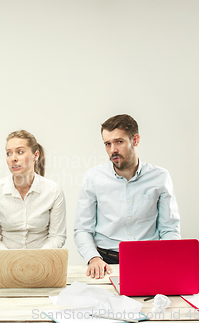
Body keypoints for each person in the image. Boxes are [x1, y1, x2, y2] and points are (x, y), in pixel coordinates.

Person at [74, 114, 181, 279]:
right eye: (108, 144)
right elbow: (82, 229)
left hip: (150, 259)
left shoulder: (160, 177)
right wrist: (93, 258)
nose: (113, 150)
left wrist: (166, 259)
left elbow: (169, 229)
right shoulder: (93, 178)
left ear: (136, 140)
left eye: (119, 142)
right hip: (105, 262)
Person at [0, 130, 66, 250]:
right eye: (8, 153)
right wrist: (13, 260)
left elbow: (57, 236)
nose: (13, 158)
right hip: (6, 263)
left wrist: (37, 258)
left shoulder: (53, 191)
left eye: (20, 152)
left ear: (35, 155)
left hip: (42, 262)